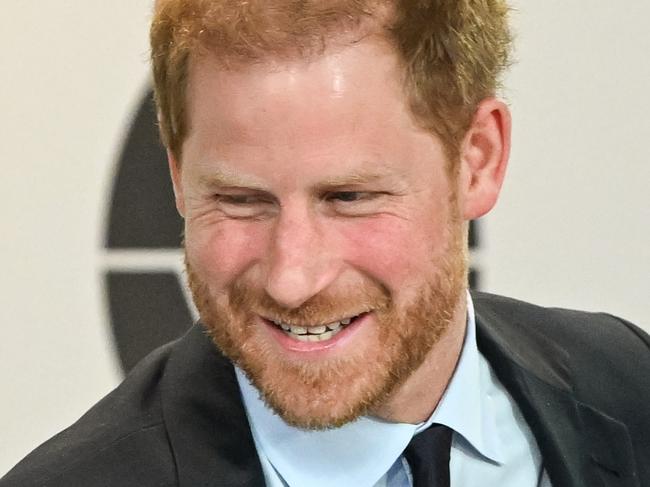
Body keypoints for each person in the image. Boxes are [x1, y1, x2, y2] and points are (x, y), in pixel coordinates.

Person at [2, 1, 649, 486]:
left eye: (349, 197)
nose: (292, 277)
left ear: (476, 159)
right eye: (240, 199)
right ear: (178, 176)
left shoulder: (628, 381)